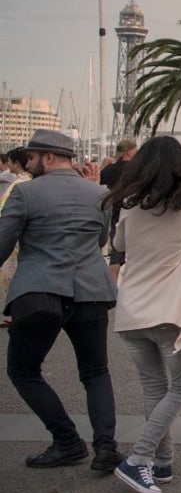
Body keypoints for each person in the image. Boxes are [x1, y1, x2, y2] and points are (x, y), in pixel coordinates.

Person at [0, 130, 122, 473]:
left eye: (31, 157)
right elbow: (101, 239)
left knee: (23, 370)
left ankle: (67, 440)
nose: (28, 164)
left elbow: (3, 243)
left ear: (49, 157)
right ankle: (105, 448)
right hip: (92, 291)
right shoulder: (99, 193)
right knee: (96, 371)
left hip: (42, 292)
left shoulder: (25, 192)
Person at [103, 136, 181, 493]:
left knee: (154, 388)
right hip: (170, 311)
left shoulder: (129, 204)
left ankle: (163, 461)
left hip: (131, 309)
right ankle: (139, 457)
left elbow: (118, 246)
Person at [0, 148, 31, 320]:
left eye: (10, 162)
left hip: (15, 237)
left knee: (11, 274)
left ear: (17, 163)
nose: (8, 165)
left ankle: (14, 313)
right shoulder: (26, 181)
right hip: (19, 235)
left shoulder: (20, 183)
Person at [99, 139, 137, 282]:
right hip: (133, 211)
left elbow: (99, 179)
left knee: (115, 257)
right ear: (128, 152)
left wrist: (105, 165)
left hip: (116, 212)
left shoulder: (111, 169)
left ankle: (112, 287)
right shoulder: (136, 169)